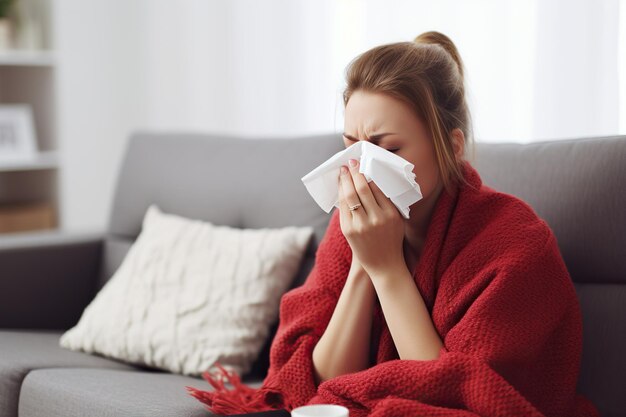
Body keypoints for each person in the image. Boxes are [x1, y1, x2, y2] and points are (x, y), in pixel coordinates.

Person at [187, 31, 600, 417]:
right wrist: (364, 263)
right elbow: (323, 385)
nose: (363, 169)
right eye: (351, 146)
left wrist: (387, 268)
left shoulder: (516, 244)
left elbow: (456, 395)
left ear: (451, 148)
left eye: (387, 148)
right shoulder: (353, 223)